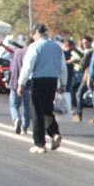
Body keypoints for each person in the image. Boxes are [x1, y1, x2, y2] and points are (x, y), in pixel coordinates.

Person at [18, 23, 68, 153]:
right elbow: (63, 67)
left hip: (38, 81)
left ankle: (40, 143)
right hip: (52, 81)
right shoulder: (57, 47)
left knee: (37, 112)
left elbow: (28, 66)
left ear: (36, 33)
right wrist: (63, 83)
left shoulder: (35, 46)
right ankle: (54, 132)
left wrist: (21, 83)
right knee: (47, 109)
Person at [7, 38, 31, 134]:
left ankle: (16, 119)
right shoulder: (30, 54)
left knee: (14, 105)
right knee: (27, 106)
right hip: (27, 83)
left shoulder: (17, 53)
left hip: (14, 82)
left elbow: (12, 67)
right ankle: (25, 127)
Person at [72, 35, 93, 122]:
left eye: (86, 42)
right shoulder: (90, 51)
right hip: (90, 74)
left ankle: (78, 114)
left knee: (79, 93)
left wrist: (75, 59)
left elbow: (82, 62)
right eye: (83, 43)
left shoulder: (90, 51)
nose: (84, 44)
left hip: (88, 74)